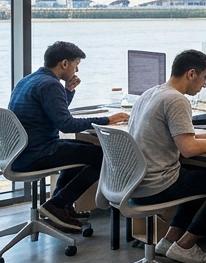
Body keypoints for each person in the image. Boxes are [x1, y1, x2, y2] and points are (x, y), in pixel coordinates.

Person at [128, 50, 206, 263]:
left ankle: (170, 239)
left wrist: (203, 136)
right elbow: (188, 149)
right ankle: (186, 245)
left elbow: (171, 135)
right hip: (156, 185)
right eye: (204, 77)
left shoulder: (151, 93)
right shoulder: (176, 100)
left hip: (135, 182)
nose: (204, 85)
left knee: (201, 176)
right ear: (191, 74)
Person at [7, 41, 129, 232]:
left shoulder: (30, 79)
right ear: (64, 64)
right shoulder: (49, 84)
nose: (77, 69)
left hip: (21, 152)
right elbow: (66, 124)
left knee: (78, 151)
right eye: (76, 64)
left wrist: (68, 91)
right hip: (37, 153)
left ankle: (60, 205)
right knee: (107, 157)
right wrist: (108, 119)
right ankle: (57, 204)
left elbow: (55, 112)